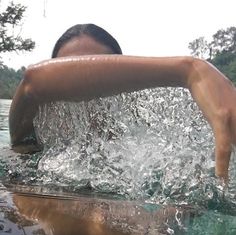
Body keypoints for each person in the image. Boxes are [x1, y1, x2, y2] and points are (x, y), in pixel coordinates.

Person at [9, 23, 236, 182]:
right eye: (71, 78)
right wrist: (192, 71)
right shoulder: (30, 141)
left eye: (102, 80)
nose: (84, 96)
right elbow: (33, 83)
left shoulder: (143, 158)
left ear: (122, 88)